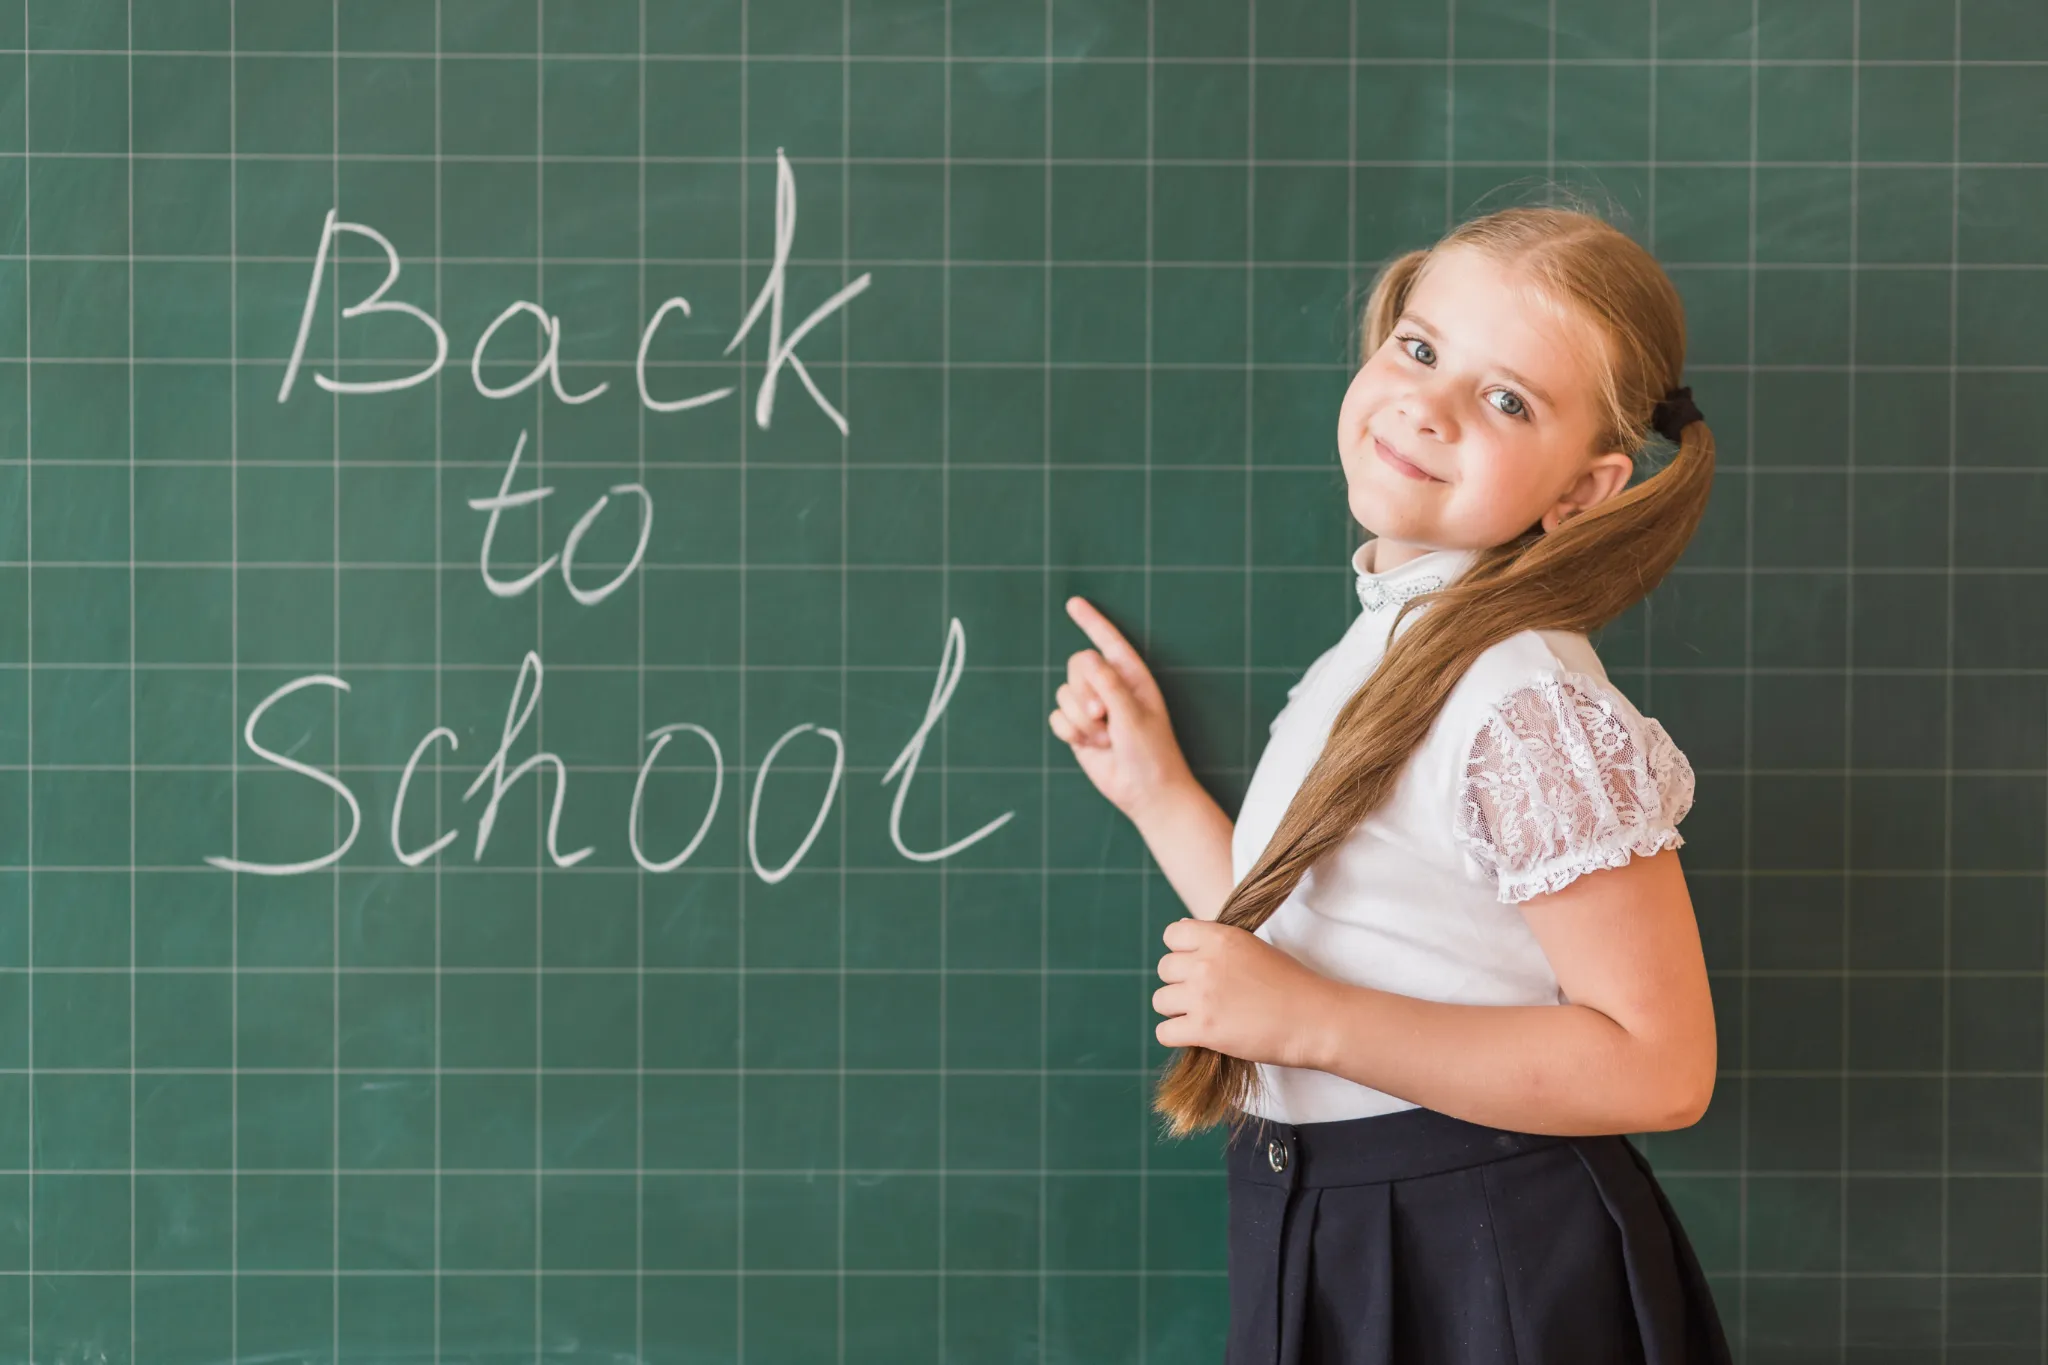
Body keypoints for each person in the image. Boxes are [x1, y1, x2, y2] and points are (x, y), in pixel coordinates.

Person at [1049, 204, 1733, 1364]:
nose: (1427, 404)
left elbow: (1659, 1066)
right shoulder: (1387, 644)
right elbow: (1328, 937)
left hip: (1481, 1246)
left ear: (1580, 491)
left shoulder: (1520, 701)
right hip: (1334, 1217)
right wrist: (1156, 791)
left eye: (1505, 399)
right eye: (1418, 350)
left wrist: (1310, 1023)